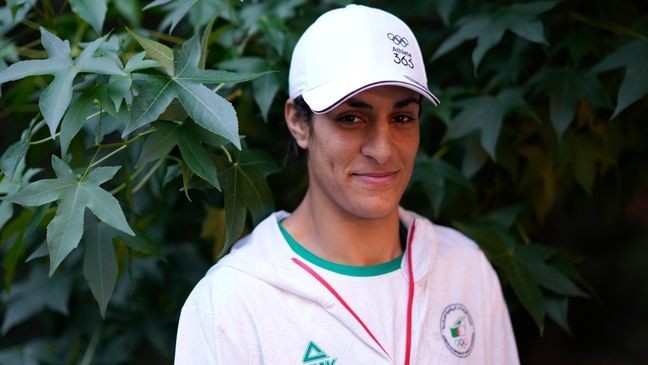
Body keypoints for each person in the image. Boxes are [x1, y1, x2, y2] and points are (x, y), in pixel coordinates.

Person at [175, 4, 519, 364]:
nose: (382, 150)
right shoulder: (234, 301)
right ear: (298, 122)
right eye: (351, 118)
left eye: (402, 117)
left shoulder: (465, 269)